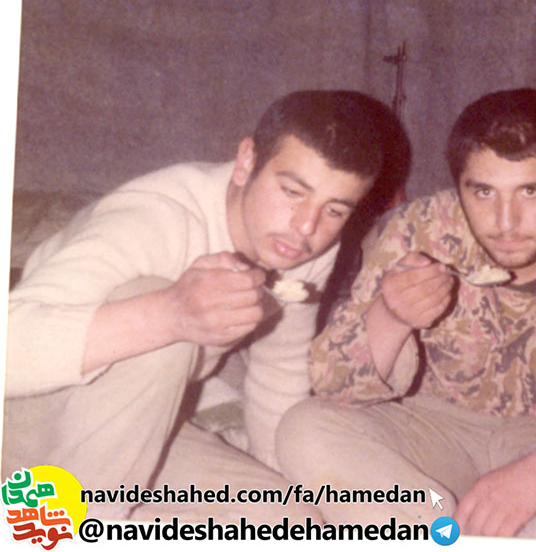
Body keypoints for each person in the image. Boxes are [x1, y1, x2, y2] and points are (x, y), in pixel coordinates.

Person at [276, 88, 536, 544]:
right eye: (483, 192)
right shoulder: (418, 230)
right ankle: (447, 533)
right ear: (458, 188)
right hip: (432, 429)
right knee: (305, 429)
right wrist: (391, 317)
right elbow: (332, 386)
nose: (506, 221)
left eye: (531, 191)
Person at [2, 90, 408, 523]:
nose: (306, 226)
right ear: (246, 161)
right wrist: (170, 313)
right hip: (30, 411)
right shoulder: (155, 219)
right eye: (292, 191)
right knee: (157, 315)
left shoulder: (303, 246)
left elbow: (279, 372)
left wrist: (275, 471)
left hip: (138, 421)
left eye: (335, 210)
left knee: (291, 522)